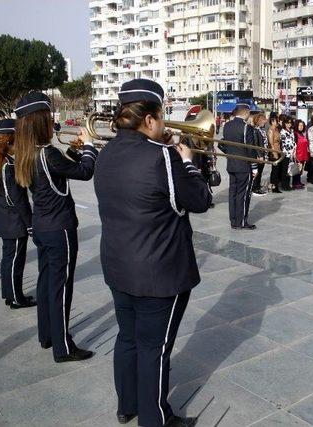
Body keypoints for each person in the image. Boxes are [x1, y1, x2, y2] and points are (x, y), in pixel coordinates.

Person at [94, 79, 209, 427]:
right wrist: (187, 160)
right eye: (162, 116)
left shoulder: (106, 152)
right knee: (154, 349)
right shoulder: (161, 157)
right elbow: (200, 200)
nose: (165, 123)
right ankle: (155, 419)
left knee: (127, 338)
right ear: (149, 120)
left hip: (119, 266)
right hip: (159, 273)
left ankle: (127, 405)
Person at [13, 91, 97, 362]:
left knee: (46, 282)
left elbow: (62, 168)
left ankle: (47, 335)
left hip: (41, 226)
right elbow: (85, 171)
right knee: (62, 287)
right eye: (48, 117)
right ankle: (63, 346)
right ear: (41, 123)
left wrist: (76, 149)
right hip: (60, 228)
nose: (52, 122)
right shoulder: (48, 153)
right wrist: (90, 147)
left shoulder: (27, 153)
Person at [0, 119, 35, 309]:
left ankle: (8, 293)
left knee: (8, 259)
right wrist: (29, 223)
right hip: (14, 221)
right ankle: (16, 298)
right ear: (11, 140)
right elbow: (17, 199)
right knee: (15, 262)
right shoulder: (8, 165)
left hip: (5, 219)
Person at [221, 104, 257, 229]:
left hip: (231, 165)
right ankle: (241, 222)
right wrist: (254, 166)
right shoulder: (246, 127)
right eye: (249, 113)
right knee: (243, 194)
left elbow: (224, 144)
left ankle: (233, 221)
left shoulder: (227, 125)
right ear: (245, 113)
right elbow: (251, 149)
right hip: (243, 166)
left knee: (233, 194)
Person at [250, 113, 268, 196]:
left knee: (260, 172)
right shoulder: (255, 130)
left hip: (264, 154)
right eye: (263, 119)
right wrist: (259, 155)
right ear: (259, 121)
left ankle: (257, 186)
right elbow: (256, 144)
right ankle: (254, 188)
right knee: (257, 172)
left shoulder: (262, 130)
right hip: (259, 155)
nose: (265, 121)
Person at [279, 116, 296, 190]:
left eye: (290, 123)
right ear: (284, 123)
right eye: (287, 123)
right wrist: (287, 152)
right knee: (285, 170)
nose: (289, 124)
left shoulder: (291, 131)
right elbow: (283, 144)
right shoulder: (282, 131)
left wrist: (294, 151)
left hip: (292, 153)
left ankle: (288, 184)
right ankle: (284, 185)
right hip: (285, 154)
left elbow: (293, 141)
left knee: (290, 170)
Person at [267, 114, 282, 193]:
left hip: (279, 150)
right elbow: (271, 143)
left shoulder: (276, 129)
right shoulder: (271, 130)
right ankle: (273, 185)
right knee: (275, 170)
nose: (278, 122)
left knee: (277, 169)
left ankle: (275, 185)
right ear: (272, 121)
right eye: (276, 121)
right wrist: (274, 153)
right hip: (274, 151)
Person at [292, 120, 309, 189]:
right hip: (297, 154)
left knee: (300, 169)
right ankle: (295, 183)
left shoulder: (302, 133)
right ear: (296, 126)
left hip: (303, 154)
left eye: (302, 125)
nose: (301, 127)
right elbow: (294, 145)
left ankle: (298, 182)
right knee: (296, 169)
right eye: (300, 125)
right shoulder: (295, 134)